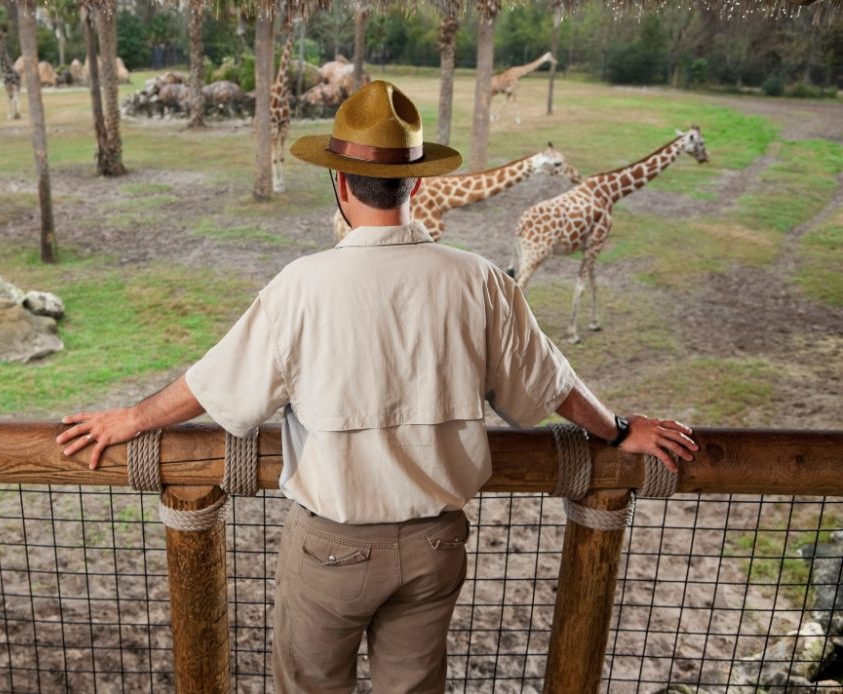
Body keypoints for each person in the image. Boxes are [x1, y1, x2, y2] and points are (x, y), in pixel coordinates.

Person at [56, 80, 698, 692]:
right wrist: (618, 430)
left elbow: (218, 385)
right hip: (436, 546)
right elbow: (550, 383)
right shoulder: (479, 281)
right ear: (415, 183)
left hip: (332, 548)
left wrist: (133, 420)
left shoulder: (301, 287)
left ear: (339, 180)